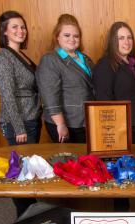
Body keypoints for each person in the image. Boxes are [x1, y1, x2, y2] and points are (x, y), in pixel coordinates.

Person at [0, 10, 41, 217]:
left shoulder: (20, 55)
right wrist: (18, 127)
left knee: (28, 171)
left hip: (31, 118)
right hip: (18, 124)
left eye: (23, 27)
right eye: (15, 27)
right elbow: (8, 95)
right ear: (4, 32)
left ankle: (30, 215)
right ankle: (24, 218)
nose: (21, 31)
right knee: (22, 173)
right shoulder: (2, 57)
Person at [37, 14, 95, 143]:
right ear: (57, 37)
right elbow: (50, 97)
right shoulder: (50, 60)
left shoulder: (86, 59)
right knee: (70, 162)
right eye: (67, 35)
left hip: (87, 121)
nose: (72, 39)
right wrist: (61, 124)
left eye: (76, 36)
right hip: (66, 123)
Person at [94, 22, 135, 143]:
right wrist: (115, 131)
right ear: (112, 41)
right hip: (121, 129)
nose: (126, 42)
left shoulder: (132, 62)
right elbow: (104, 103)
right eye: (121, 38)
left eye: (129, 37)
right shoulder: (105, 65)